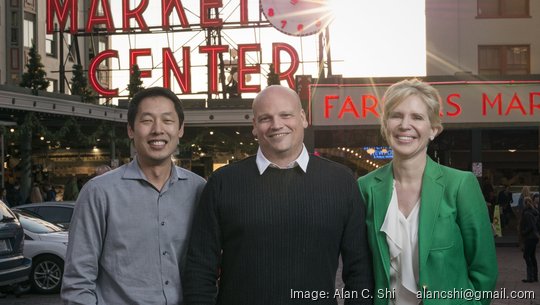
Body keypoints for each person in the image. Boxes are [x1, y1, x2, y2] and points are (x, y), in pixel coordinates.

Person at [183, 85, 373, 305]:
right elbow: (199, 269)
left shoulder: (341, 182)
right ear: (254, 126)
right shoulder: (222, 183)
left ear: (302, 118)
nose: (276, 125)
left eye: (286, 115)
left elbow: (360, 271)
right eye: (265, 118)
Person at [357, 79, 498, 305]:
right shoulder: (365, 187)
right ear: (385, 125)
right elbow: (361, 267)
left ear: (433, 130)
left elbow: (484, 269)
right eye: (396, 115)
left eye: (417, 117)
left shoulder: (460, 184)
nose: (405, 125)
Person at [61, 87, 206, 305]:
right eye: (147, 121)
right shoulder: (99, 192)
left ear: (180, 129)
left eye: (167, 120)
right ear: (130, 129)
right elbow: (78, 281)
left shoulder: (199, 189)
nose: (158, 130)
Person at [519, 196, 539, 283]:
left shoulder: (527, 213)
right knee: (532, 256)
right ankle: (535, 276)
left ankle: (530, 277)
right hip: (534, 237)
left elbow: (530, 226)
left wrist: (523, 232)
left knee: (526, 256)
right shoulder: (534, 212)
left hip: (530, 237)